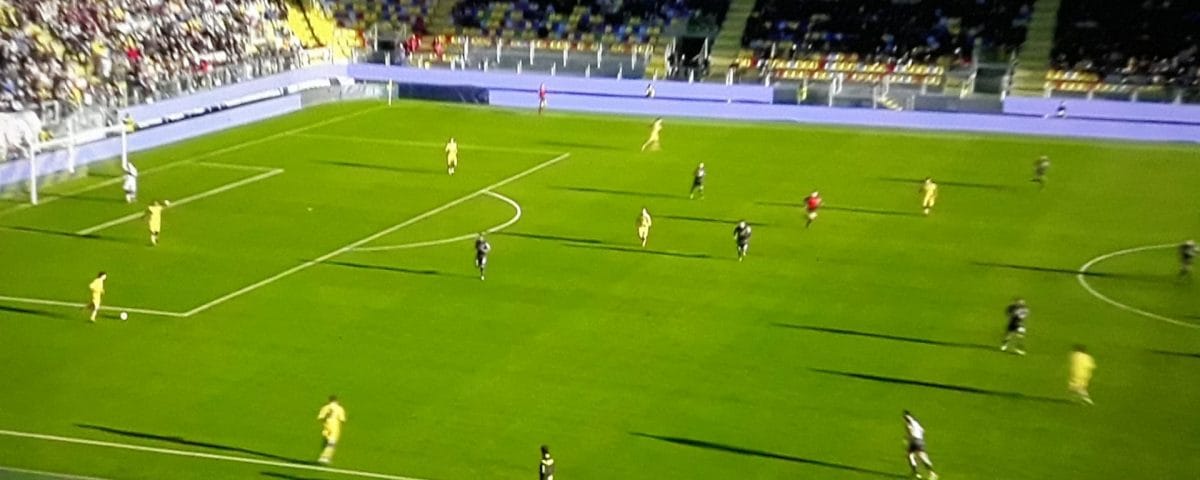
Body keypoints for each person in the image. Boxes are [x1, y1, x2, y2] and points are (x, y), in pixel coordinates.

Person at [903, 411, 938, 480]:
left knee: (914, 456)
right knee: (914, 456)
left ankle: (929, 473)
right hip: (920, 440)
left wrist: (907, 439)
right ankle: (917, 473)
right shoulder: (916, 422)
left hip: (914, 441)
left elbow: (910, 433)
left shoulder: (908, 424)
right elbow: (922, 430)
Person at [317, 395, 347, 464]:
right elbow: (342, 419)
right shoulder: (339, 408)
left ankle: (324, 456)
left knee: (325, 442)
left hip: (326, 427)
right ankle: (324, 458)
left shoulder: (325, 407)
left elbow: (320, 417)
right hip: (334, 428)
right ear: (336, 401)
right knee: (331, 443)